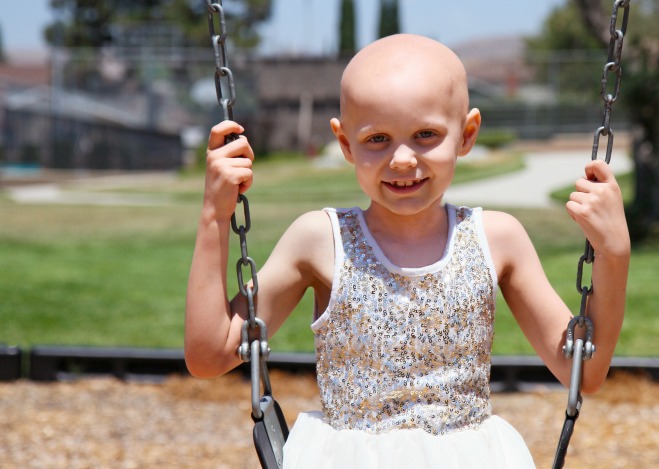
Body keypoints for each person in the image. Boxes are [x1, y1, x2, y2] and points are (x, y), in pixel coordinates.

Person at [185, 34, 630, 468]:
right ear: (345, 144)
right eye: (377, 138)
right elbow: (210, 356)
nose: (402, 159)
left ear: (467, 134)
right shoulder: (319, 240)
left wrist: (614, 254)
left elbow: (583, 372)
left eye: (425, 134)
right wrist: (214, 216)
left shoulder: (498, 239)